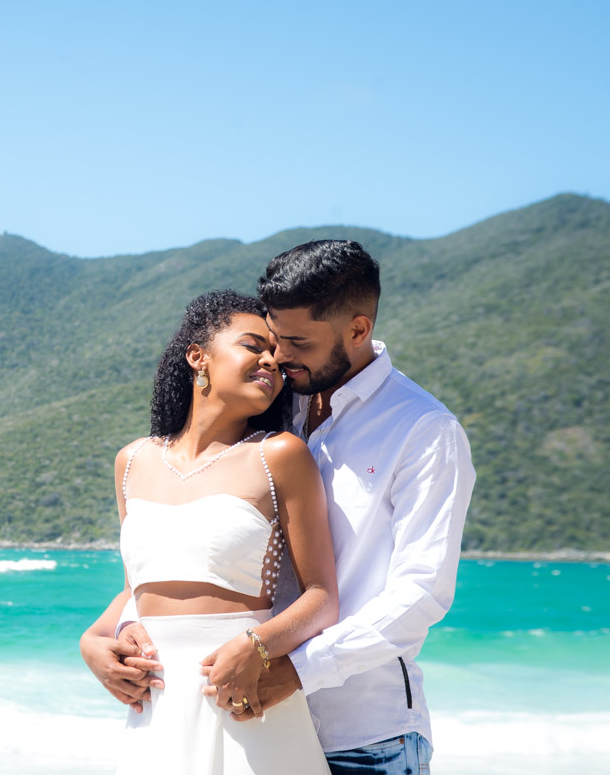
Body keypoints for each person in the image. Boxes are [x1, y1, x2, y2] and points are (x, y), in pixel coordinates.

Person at [84, 240, 476, 775]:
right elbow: (184, 555)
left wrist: (292, 669)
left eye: (295, 342)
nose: (280, 357)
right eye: (272, 338)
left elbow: (421, 592)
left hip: (361, 734)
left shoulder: (423, 431)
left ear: (357, 330)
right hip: (226, 712)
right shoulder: (270, 408)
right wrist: (106, 636)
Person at [82, 289, 339, 774]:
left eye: (277, 356)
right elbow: (135, 589)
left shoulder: (279, 455)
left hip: (241, 693)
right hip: (157, 703)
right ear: (198, 356)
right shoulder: (132, 461)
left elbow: (322, 598)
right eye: (253, 346)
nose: (271, 361)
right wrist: (93, 640)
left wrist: (256, 646)